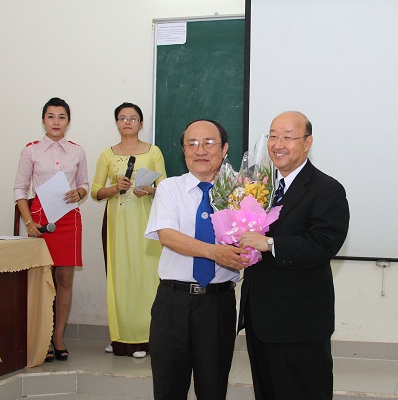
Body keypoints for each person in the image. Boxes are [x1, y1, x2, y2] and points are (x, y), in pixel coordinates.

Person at [238, 111, 350, 400]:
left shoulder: (327, 189)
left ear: (307, 142)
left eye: (288, 137)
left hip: (299, 321)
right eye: (273, 136)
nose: (278, 145)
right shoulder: (258, 187)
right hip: (259, 316)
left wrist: (269, 244)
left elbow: (324, 244)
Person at [145, 119, 250, 400]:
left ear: (224, 149)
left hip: (217, 305)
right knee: (168, 388)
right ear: (183, 151)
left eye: (209, 143)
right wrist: (215, 252)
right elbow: (168, 236)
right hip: (173, 303)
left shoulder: (242, 192)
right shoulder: (169, 188)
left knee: (213, 389)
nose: (200, 150)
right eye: (191, 144)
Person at [14, 97, 89, 362]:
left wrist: (80, 192)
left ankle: (58, 337)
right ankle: (43, 336)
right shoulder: (31, 151)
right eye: (51, 116)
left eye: (61, 117)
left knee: (65, 280)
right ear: (43, 120)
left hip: (69, 219)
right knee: (42, 281)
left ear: (68, 121)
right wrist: (28, 222)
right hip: (40, 221)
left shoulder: (77, 151)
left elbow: (84, 184)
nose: (56, 122)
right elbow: (20, 189)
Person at [91, 102, 167, 358]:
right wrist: (115, 188)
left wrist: (149, 190)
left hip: (145, 223)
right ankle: (120, 337)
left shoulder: (153, 152)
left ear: (140, 123)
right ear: (116, 123)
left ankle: (147, 337)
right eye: (122, 118)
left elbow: (165, 188)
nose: (127, 122)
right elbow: (95, 192)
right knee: (119, 277)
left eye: (133, 118)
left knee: (147, 277)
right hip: (116, 223)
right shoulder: (107, 155)